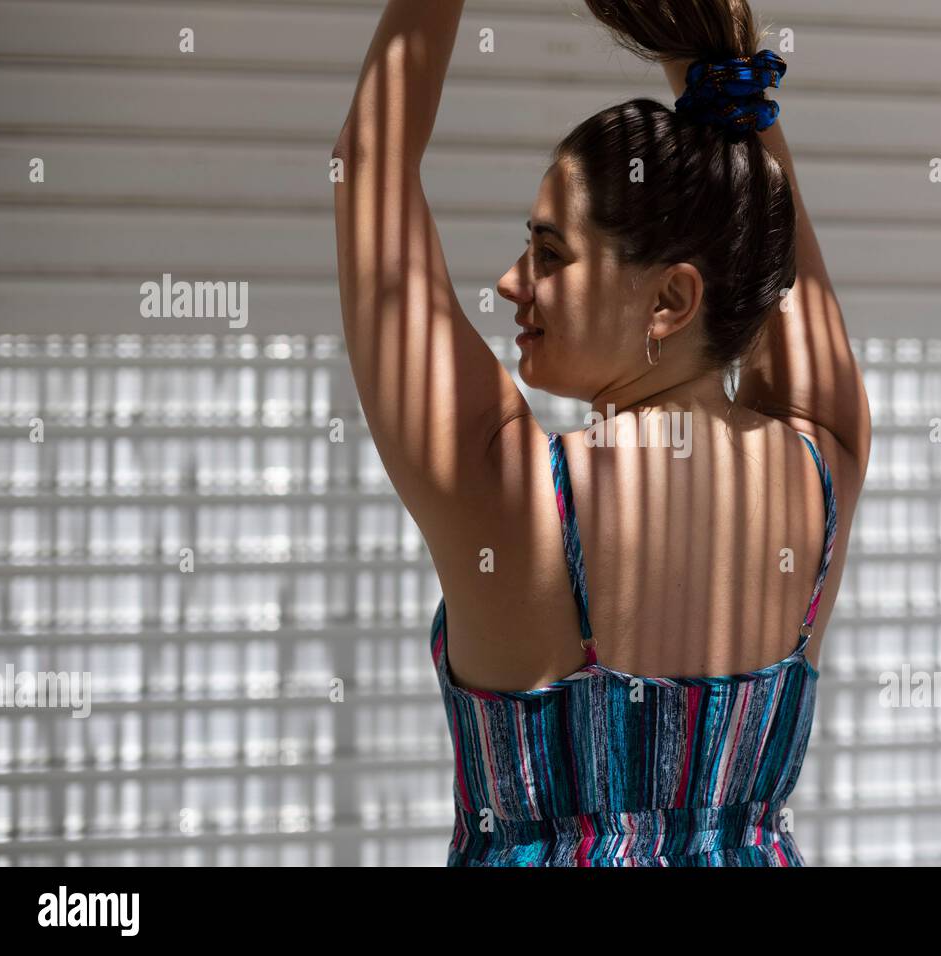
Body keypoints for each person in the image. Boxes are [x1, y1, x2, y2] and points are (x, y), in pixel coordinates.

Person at [332, 0, 871, 865]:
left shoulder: (510, 500)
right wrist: (712, 67)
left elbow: (367, 166)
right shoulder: (826, 459)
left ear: (669, 300)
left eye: (550, 253)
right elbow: (768, 250)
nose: (511, 283)